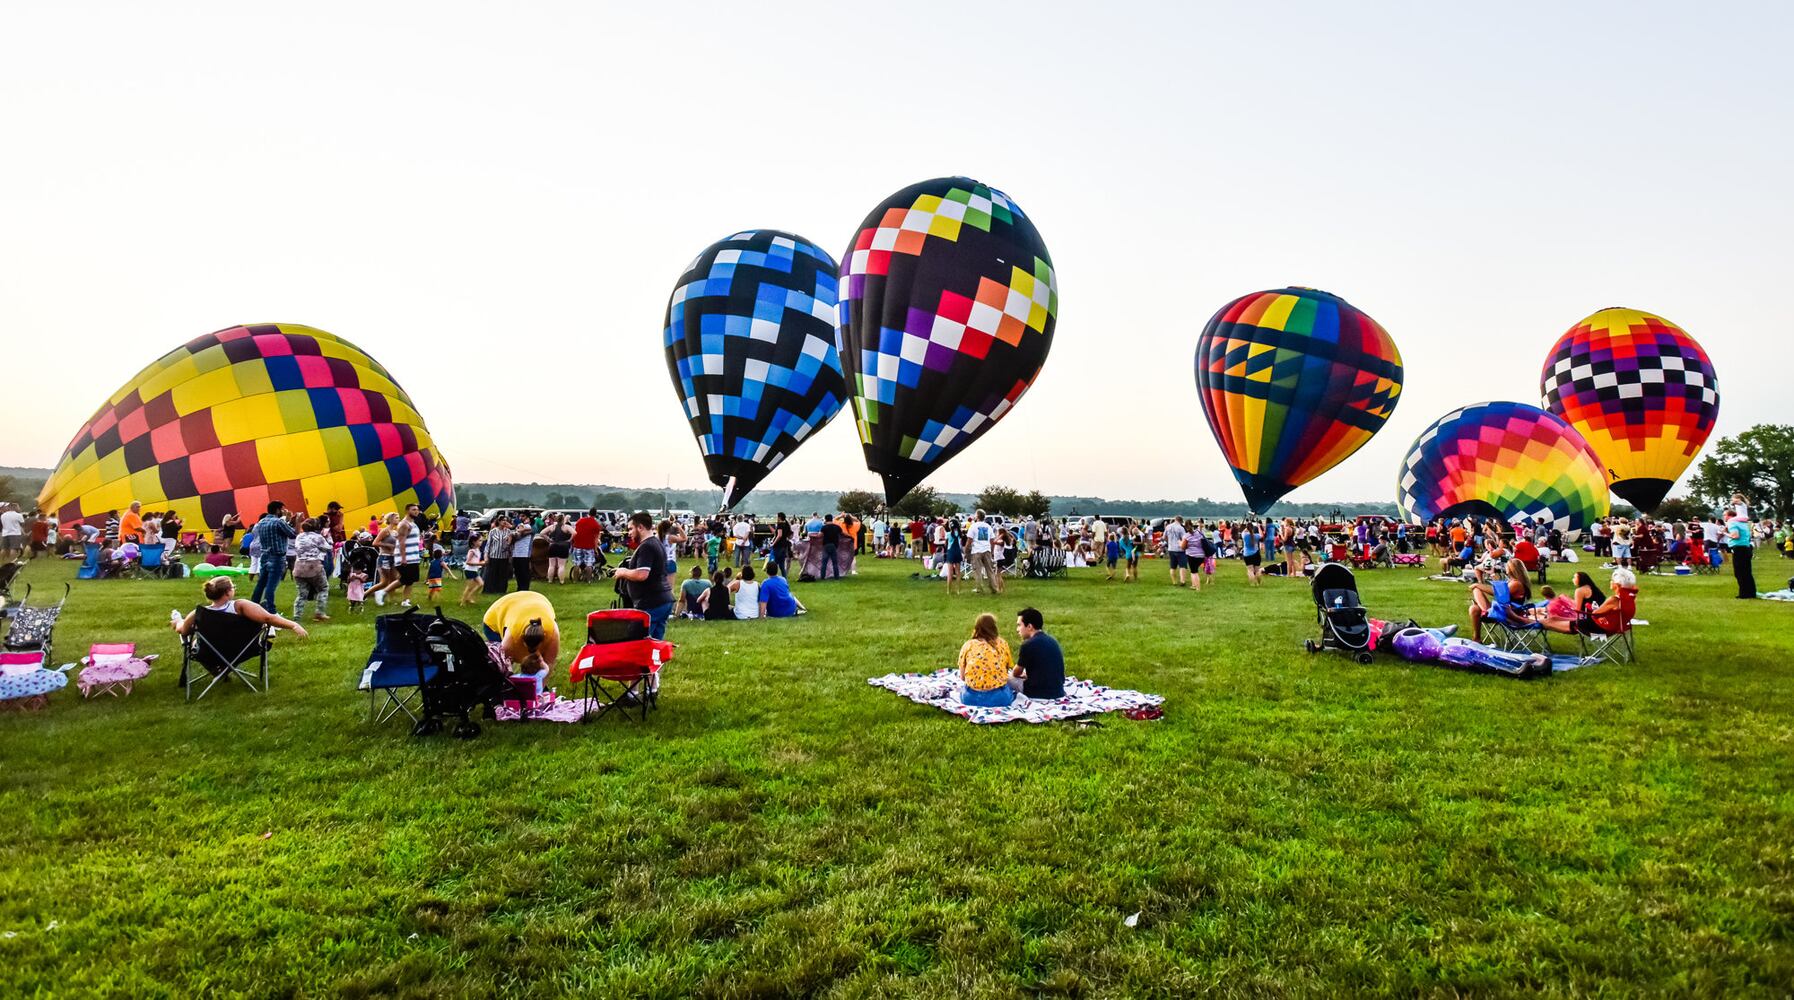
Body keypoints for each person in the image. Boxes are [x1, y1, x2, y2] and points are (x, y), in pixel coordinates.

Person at [174, 576, 309, 640]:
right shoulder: (240, 606)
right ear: (227, 592)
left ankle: (218, 669)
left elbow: (184, 631)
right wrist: (293, 625)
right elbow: (268, 617)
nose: (234, 589)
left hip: (209, 653)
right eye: (233, 587)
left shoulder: (198, 614)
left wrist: (178, 622)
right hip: (242, 650)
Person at [613, 511, 675, 639]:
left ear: (640, 527)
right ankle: (656, 659)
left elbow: (642, 574)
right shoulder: (657, 543)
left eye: (631, 529)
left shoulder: (646, 546)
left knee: (638, 641)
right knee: (655, 644)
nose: (629, 533)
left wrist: (623, 572)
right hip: (663, 599)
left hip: (652, 603)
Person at [481, 589, 561, 674]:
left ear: (544, 636)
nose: (531, 652)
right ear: (522, 637)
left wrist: (539, 684)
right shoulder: (512, 637)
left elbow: (549, 663)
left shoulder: (552, 633)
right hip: (495, 617)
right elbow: (502, 664)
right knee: (499, 662)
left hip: (535, 600)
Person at [957, 612, 1015, 707]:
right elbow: (1005, 671)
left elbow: (962, 677)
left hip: (970, 698)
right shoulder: (1003, 644)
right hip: (1000, 699)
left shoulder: (968, 645)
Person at [1468, 557, 1533, 643]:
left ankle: (1487, 611)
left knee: (1476, 589)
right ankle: (1477, 638)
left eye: (1507, 566)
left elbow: (1498, 593)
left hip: (1509, 614)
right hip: (1502, 609)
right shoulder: (1513, 581)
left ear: (1511, 569)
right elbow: (1499, 588)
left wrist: (1477, 585)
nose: (1505, 567)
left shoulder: (1516, 584)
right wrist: (1491, 574)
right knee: (1474, 608)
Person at [249, 502, 298, 611]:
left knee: (261, 583)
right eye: (282, 509)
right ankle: (270, 609)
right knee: (271, 585)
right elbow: (293, 534)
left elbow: (282, 530)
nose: (283, 511)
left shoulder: (261, 522)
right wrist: (297, 520)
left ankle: (253, 606)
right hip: (277, 557)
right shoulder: (278, 522)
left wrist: (289, 521)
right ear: (277, 510)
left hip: (265, 555)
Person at [1010, 607, 1065, 699]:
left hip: (1037, 693)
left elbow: (1016, 673)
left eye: (1019, 625)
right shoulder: (1052, 640)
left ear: (1029, 626)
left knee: (1005, 677)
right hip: (1058, 690)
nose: (1017, 629)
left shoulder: (1028, 644)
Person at [290, 518, 332, 622]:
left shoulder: (299, 536)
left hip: (299, 567)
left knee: (301, 594)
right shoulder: (318, 537)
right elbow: (328, 548)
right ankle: (320, 613)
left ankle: (297, 617)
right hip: (313, 566)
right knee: (323, 588)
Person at [1726, 509, 1756, 599]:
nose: (1724, 517)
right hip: (1746, 548)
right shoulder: (1743, 524)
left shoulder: (1732, 523)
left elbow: (1735, 536)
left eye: (1725, 515)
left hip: (1738, 549)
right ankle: (1751, 592)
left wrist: (1725, 533)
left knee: (1739, 573)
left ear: (1730, 516)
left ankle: (1744, 594)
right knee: (1747, 572)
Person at [1163, 517, 1188, 587]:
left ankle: (1174, 582)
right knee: (1182, 566)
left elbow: (1164, 537)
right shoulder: (1181, 528)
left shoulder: (1168, 527)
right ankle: (1182, 581)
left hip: (1171, 548)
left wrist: (1169, 542)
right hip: (1180, 549)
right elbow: (1184, 538)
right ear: (1181, 521)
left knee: (1172, 566)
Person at [820, 514, 843, 579]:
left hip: (826, 545)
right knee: (835, 562)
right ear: (832, 519)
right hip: (834, 546)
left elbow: (819, 535)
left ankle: (822, 576)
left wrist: (812, 536)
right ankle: (836, 576)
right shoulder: (837, 527)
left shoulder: (824, 527)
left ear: (826, 519)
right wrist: (850, 537)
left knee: (824, 562)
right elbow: (843, 534)